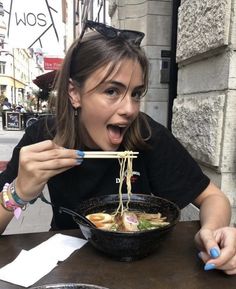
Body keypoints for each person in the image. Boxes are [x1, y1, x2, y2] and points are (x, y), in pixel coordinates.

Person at [0, 20, 236, 274]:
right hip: (68, 263)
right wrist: (18, 192)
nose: (130, 109)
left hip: (144, 267)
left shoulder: (147, 136)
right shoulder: (45, 136)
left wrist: (212, 231)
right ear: (74, 93)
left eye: (136, 94)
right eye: (112, 91)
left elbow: (213, 197)